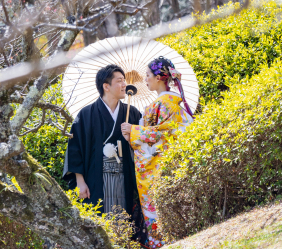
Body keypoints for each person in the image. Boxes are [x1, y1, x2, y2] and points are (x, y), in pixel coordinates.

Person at [63, 64, 145, 242]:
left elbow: (144, 145)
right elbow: (75, 148)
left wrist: (133, 135)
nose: (124, 85)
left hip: (125, 176)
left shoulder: (132, 113)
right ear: (106, 86)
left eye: (124, 81)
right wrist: (80, 181)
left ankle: (124, 243)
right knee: (100, 219)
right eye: (119, 81)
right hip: (96, 177)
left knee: (125, 217)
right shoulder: (86, 114)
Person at [121, 56, 194, 249]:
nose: (145, 79)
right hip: (173, 163)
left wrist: (133, 132)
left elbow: (163, 135)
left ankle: (162, 242)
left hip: (158, 167)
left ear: (159, 77)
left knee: (158, 207)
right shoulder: (175, 101)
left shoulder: (161, 104)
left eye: (147, 75)